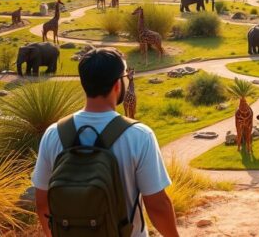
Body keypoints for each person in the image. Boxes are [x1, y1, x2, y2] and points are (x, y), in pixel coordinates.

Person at [32, 47, 179, 237]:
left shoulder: (54, 134)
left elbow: (42, 202)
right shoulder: (139, 136)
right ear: (118, 85)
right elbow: (157, 205)